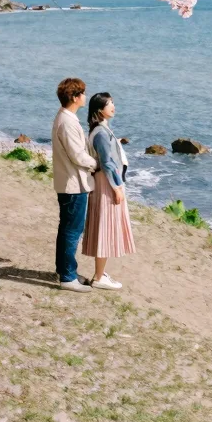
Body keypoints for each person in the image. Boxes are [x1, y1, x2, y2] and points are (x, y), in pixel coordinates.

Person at [81, 92, 135, 290]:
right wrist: (117, 188)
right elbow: (107, 164)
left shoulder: (100, 130)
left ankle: (99, 273)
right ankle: (98, 277)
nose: (113, 106)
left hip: (103, 182)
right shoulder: (102, 133)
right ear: (99, 110)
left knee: (102, 227)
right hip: (106, 183)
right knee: (104, 228)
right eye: (109, 104)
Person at [51, 77, 96, 292]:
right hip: (73, 184)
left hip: (69, 182)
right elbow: (77, 155)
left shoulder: (65, 118)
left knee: (67, 229)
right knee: (72, 230)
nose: (85, 97)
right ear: (76, 97)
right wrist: (96, 164)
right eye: (83, 93)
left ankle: (66, 270)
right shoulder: (67, 121)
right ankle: (67, 277)